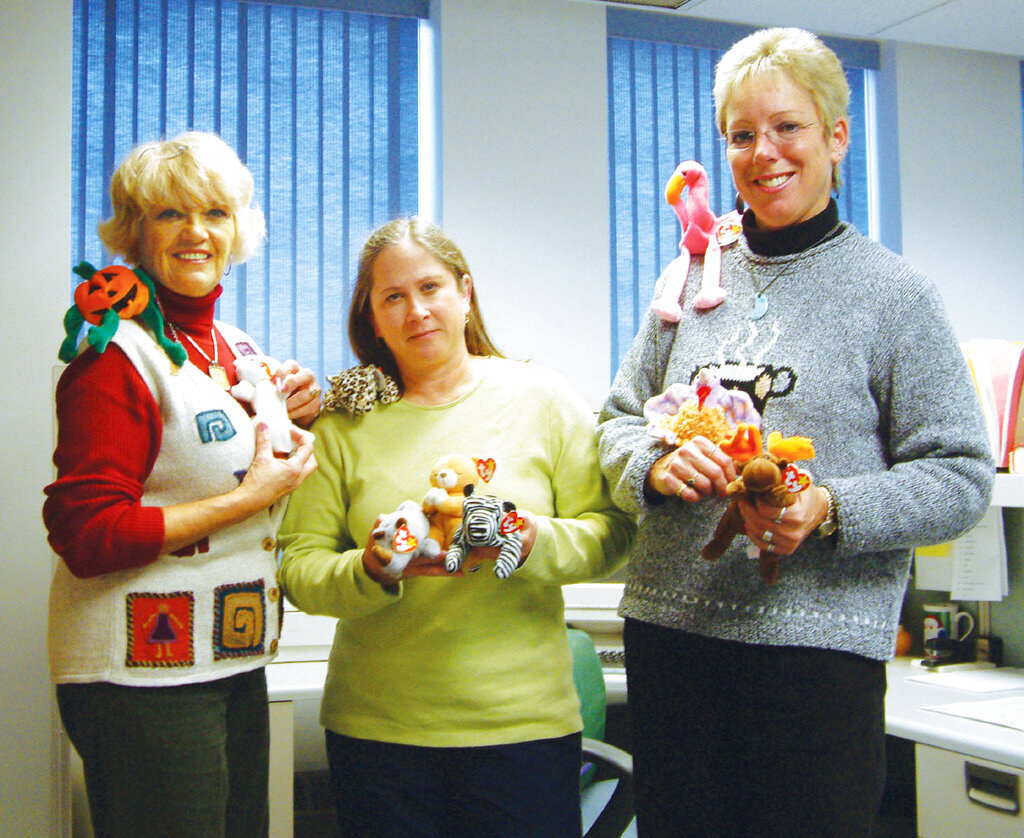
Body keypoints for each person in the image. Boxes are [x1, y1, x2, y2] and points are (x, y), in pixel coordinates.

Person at [596, 28, 994, 838]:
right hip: (675, 642)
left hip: (815, 661)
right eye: (741, 135)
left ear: (837, 136)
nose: (762, 153)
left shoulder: (896, 296)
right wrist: (653, 467)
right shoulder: (691, 277)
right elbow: (616, 421)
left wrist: (831, 508)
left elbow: (961, 474)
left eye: (787, 127)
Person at [277, 216, 635, 838]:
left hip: (523, 729)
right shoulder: (341, 423)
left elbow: (612, 533)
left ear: (465, 293)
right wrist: (369, 568)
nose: (415, 311)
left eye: (430, 288)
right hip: (378, 732)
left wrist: (530, 540)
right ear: (373, 315)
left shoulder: (543, 399)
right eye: (393, 297)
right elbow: (298, 568)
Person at [43, 131, 320, 838]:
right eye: (170, 214)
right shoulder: (114, 352)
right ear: (134, 232)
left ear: (239, 230)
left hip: (229, 657)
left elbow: (213, 445)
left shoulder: (236, 346)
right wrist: (249, 496)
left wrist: (284, 412)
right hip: (142, 679)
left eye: (216, 214)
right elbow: (85, 532)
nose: (197, 233)